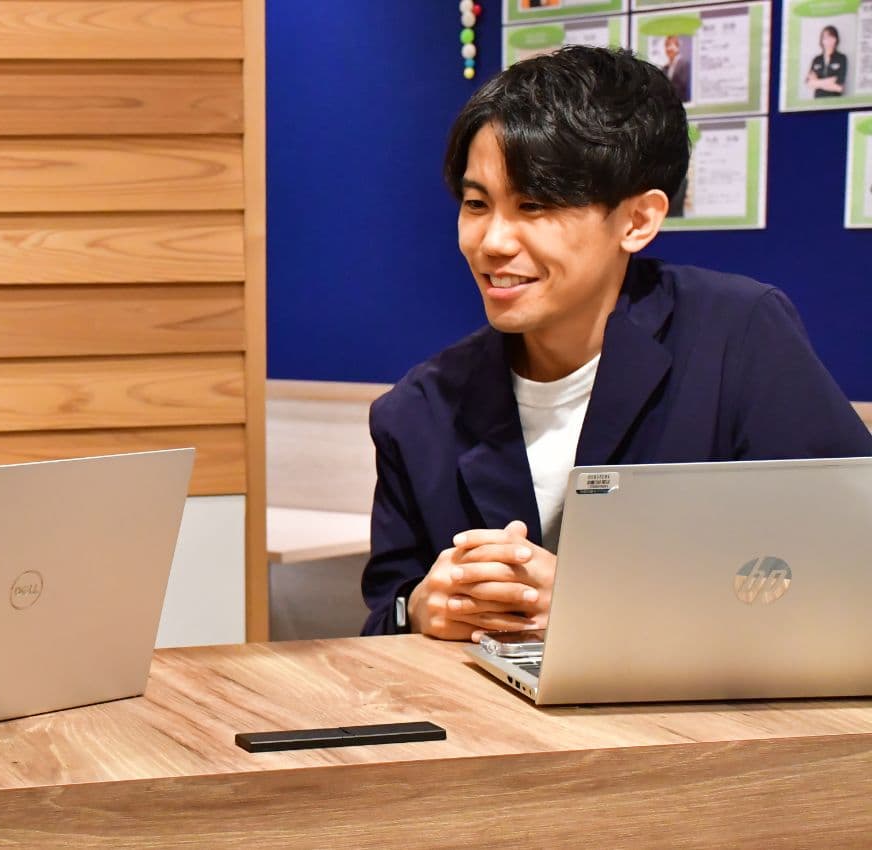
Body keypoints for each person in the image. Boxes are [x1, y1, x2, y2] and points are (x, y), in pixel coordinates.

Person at [360, 47, 872, 639]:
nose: (493, 241)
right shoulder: (418, 412)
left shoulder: (737, 337)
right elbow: (381, 620)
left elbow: (848, 560)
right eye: (477, 204)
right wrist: (419, 609)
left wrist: (601, 605)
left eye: (534, 205)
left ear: (638, 220)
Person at [805, 25, 848, 98]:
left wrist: (816, 83)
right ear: (822, 40)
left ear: (836, 39)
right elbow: (809, 83)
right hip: (818, 101)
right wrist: (830, 81)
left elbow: (839, 87)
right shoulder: (816, 59)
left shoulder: (842, 58)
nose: (828, 41)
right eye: (825, 38)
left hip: (834, 100)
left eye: (831, 37)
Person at [660, 35, 691, 103]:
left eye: (671, 45)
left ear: (677, 47)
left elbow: (683, 87)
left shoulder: (684, 64)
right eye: (666, 45)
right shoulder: (665, 68)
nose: (668, 48)